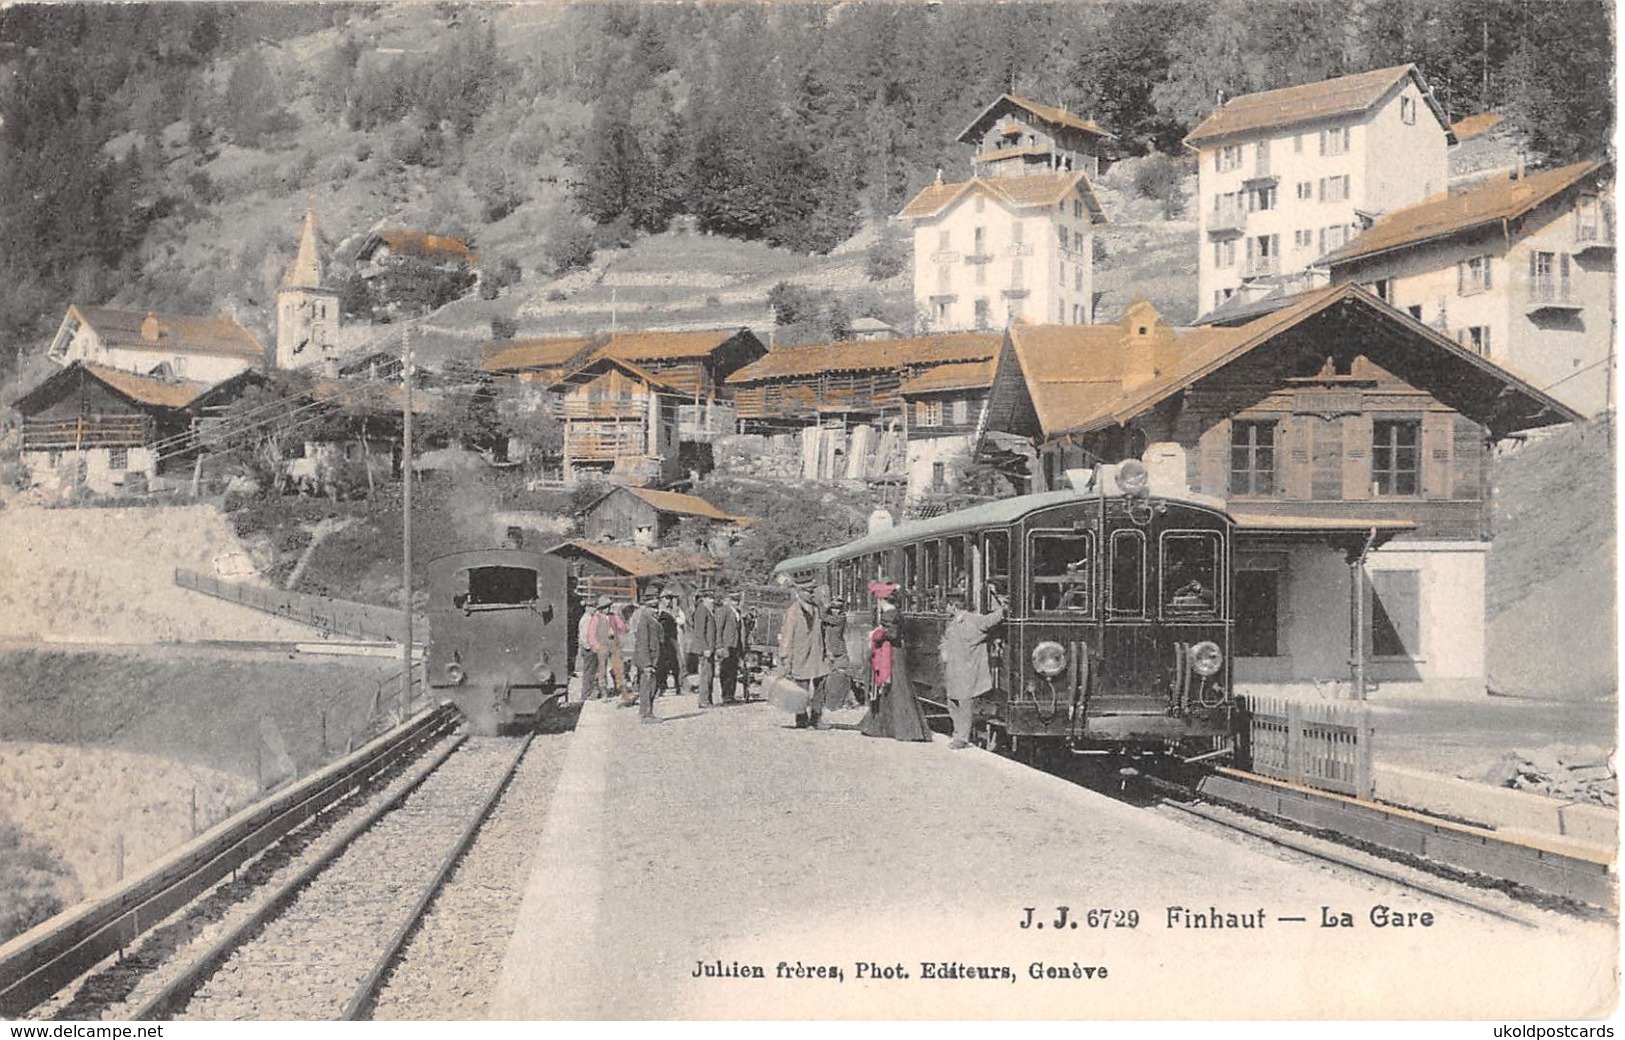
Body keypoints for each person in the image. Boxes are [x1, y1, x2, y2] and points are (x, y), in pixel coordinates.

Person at [860, 581, 931, 742]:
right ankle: (890, 726)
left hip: (890, 653)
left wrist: (875, 634)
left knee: (895, 687)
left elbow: (891, 634)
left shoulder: (889, 614)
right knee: (893, 688)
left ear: (881, 600)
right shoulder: (895, 613)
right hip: (893, 652)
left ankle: (903, 729)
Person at [940, 587, 1006, 750]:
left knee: (964, 702)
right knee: (952, 702)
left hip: (967, 668)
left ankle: (962, 738)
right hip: (954, 668)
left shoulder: (973, 620)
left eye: (947, 606)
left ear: (952, 606)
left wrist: (1003, 609)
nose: (946, 610)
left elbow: (991, 620)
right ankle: (958, 733)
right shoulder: (953, 622)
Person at [779, 581, 831, 728]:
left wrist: (827, 651)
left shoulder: (816, 609)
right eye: (809, 591)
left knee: (820, 686)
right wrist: (784, 654)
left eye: (813, 591)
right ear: (800, 592)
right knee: (801, 689)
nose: (812, 594)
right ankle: (801, 719)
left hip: (817, 654)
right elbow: (787, 635)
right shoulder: (793, 611)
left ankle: (816, 718)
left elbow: (822, 631)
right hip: (801, 655)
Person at [628, 591, 664, 721]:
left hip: (653, 659)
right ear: (646, 608)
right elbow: (643, 643)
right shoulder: (645, 620)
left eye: (657, 607)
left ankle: (647, 712)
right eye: (653, 607)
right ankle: (646, 714)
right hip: (648, 660)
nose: (656, 610)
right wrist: (647, 664)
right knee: (647, 687)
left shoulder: (652, 619)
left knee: (651, 687)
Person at [585, 595, 626, 701]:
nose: (607, 609)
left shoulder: (614, 616)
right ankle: (603, 691)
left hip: (613, 644)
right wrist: (595, 644)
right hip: (602, 645)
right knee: (602, 669)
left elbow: (622, 627)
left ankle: (620, 688)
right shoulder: (596, 618)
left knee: (617, 666)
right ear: (601, 608)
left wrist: (620, 634)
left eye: (608, 607)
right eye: (605, 607)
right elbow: (591, 633)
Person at [821, 597, 856, 710]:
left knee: (840, 677)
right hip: (830, 651)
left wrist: (825, 607)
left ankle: (849, 700)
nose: (835, 610)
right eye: (833, 608)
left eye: (838, 608)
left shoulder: (840, 618)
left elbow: (824, 617)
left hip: (838, 651)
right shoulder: (831, 619)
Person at [715, 590, 748, 703]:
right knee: (726, 671)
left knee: (733, 671)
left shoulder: (737, 612)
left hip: (735, 645)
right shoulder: (724, 610)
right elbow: (718, 628)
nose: (735, 602)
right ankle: (726, 696)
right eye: (733, 600)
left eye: (737, 600)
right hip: (726, 645)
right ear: (728, 600)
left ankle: (731, 695)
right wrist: (719, 645)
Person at [691, 588, 720, 708]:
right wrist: (705, 648)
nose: (712, 601)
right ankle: (703, 700)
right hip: (706, 649)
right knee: (705, 674)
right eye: (710, 598)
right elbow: (699, 631)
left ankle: (708, 699)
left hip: (710, 648)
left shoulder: (708, 610)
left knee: (709, 674)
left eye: (713, 598)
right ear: (704, 599)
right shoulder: (702, 610)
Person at [655, 590, 683, 697]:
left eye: (670, 598)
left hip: (672, 639)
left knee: (675, 663)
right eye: (666, 598)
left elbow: (682, 620)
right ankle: (661, 686)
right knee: (661, 664)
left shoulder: (675, 610)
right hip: (662, 640)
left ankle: (678, 686)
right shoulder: (659, 611)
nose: (669, 601)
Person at [576, 606, 600, 702]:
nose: (595, 609)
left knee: (591, 672)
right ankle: (586, 694)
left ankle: (589, 692)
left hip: (590, 648)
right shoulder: (586, 619)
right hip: (588, 649)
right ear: (588, 608)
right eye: (593, 607)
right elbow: (584, 636)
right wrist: (590, 648)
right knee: (588, 672)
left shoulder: (590, 618)